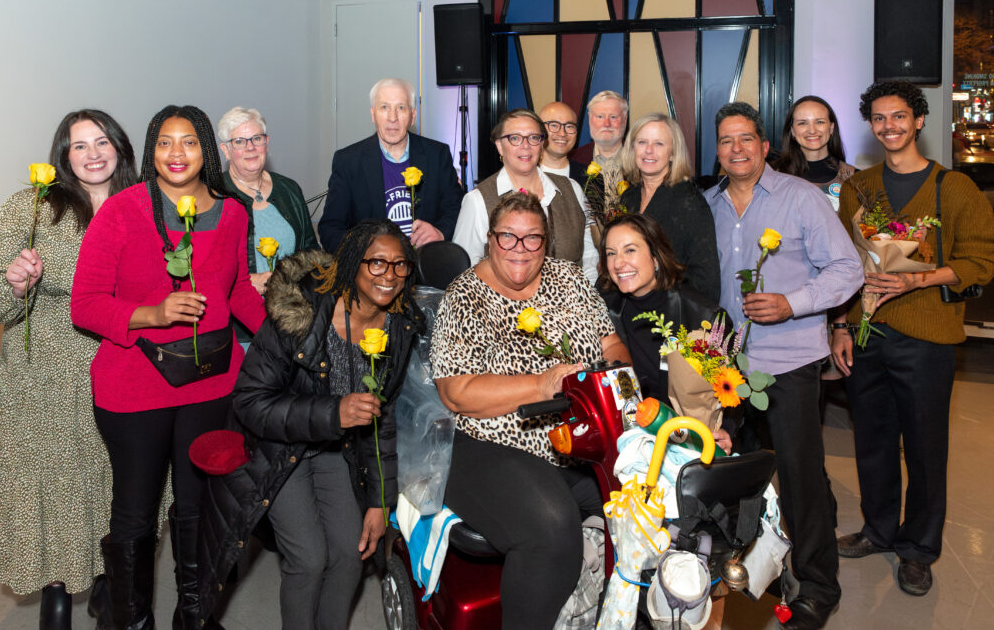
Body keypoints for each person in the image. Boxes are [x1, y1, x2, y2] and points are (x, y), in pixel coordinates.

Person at [72, 105, 266, 630]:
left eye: (188, 143)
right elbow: (84, 303)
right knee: (135, 514)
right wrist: (151, 314)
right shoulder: (122, 211)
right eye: (163, 142)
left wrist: (284, 333)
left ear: (208, 149)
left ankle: (194, 617)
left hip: (210, 385)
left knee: (198, 509)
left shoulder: (233, 214)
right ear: (151, 150)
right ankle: (131, 622)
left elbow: (238, 289)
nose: (175, 154)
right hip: (133, 387)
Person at [196, 219, 424, 629]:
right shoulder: (300, 313)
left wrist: (379, 501)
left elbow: (381, 420)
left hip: (339, 451)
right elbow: (249, 401)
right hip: (278, 449)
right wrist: (332, 413)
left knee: (349, 555)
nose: (389, 276)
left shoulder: (399, 326)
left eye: (399, 265)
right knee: (308, 558)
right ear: (352, 263)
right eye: (376, 263)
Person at [432, 192, 629, 629]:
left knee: (638, 503)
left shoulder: (571, 280)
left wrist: (615, 373)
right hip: (486, 443)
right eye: (508, 238)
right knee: (552, 530)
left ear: (548, 241)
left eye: (532, 239)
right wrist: (541, 384)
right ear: (489, 239)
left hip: (576, 439)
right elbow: (456, 393)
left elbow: (610, 343)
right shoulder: (465, 295)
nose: (519, 249)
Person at [0, 109, 136, 628]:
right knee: (53, 484)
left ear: (120, 147)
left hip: (120, 364)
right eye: (79, 145)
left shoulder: (142, 206)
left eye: (102, 141)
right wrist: (16, 282)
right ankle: (57, 592)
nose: (93, 153)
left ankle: (113, 582)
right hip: (43, 374)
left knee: (116, 479)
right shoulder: (33, 207)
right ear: (62, 156)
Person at [831, 82, 994, 597]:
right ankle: (879, 530)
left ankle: (918, 549)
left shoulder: (955, 188)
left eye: (899, 117)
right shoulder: (861, 188)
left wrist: (916, 278)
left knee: (925, 449)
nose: (889, 127)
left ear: (919, 120)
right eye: (879, 119)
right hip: (868, 332)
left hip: (928, 338)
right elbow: (849, 262)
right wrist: (841, 324)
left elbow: (981, 262)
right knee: (873, 442)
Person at [704, 102, 862, 630]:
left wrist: (793, 302)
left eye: (746, 138)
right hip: (727, 366)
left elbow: (847, 269)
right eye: (726, 141)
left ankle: (818, 586)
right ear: (717, 151)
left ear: (765, 145)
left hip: (790, 361)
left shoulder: (802, 198)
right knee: (731, 477)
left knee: (800, 477)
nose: (737, 149)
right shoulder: (710, 206)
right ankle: (748, 572)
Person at [599, 213, 732, 443]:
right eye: (611, 253)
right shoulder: (602, 309)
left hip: (689, 439)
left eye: (630, 250)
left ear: (656, 257)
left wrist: (727, 431)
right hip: (629, 439)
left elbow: (733, 389)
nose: (618, 263)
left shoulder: (703, 315)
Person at [318, 78, 464, 252]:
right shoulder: (349, 161)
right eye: (384, 107)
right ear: (373, 114)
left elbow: (455, 208)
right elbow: (330, 229)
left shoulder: (437, 155)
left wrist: (440, 232)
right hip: (372, 270)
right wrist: (367, 250)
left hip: (425, 266)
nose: (392, 118)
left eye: (401, 108)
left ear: (413, 115)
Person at [452, 109, 597, 283]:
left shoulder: (571, 189)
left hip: (573, 305)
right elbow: (465, 271)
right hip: (506, 307)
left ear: (542, 144)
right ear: (499, 146)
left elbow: (589, 255)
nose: (525, 145)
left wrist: (587, 295)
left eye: (534, 137)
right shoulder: (477, 200)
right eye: (515, 138)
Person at [217, 106, 320, 298]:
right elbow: (205, 270)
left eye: (257, 139)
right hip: (240, 314)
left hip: (292, 310)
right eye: (239, 141)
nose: (250, 147)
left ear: (266, 143)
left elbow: (312, 253)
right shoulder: (214, 195)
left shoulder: (289, 189)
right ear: (226, 150)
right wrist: (246, 282)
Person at [619, 113, 721, 301]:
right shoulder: (628, 198)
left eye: (659, 144)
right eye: (642, 142)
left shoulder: (689, 201)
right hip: (629, 310)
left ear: (673, 153)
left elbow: (706, 279)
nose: (649, 150)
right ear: (632, 148)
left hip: (670, 315)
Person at [773, 96, 856, 211]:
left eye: (819, 122)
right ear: (792, 131)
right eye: (802, 123)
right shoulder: (773, 177)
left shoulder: (855, 179)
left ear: (831, 128)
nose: (812, 130)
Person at [570, 90, 629, 228]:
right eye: (600, 116)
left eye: (613, 117)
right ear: (590, 119)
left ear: (625, 120)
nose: (606, 123)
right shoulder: (572, 160)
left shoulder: (642, 160)